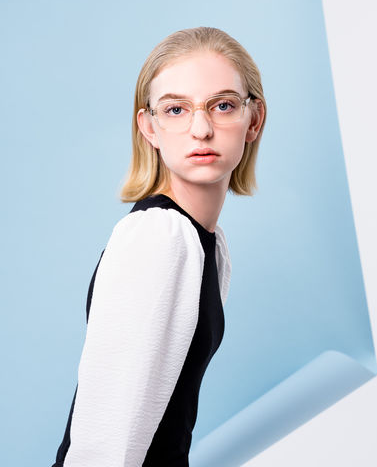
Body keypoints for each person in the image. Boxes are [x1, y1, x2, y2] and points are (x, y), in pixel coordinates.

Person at [51, 26, 267, 466]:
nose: (201, 129)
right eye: (176, 109)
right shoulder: (158, 237)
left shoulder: (208, 245)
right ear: (149, 127)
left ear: (254, 120)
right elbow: (103, 442)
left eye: (223, 105)